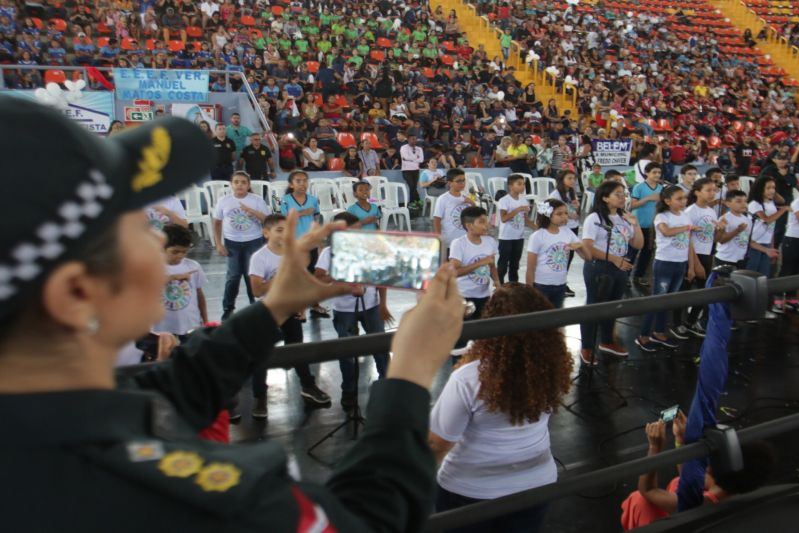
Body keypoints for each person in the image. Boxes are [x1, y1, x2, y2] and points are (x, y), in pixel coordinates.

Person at [0, 99, 467, 531]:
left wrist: (275, 305)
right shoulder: (207, 504)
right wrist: (409, 373)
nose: (160, 240)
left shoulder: (41, 420)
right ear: (77, 293)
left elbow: (168, 391)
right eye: (137, 222)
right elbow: (371, 522)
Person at [429, 284, 573, 533]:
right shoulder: (553, 367)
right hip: (536, 484)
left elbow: (437, 445)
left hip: (469, 491)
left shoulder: (469, 378)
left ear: (491, 322)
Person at [621, 413, 775, 530]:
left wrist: (655, 447)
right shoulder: (735, 488)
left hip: (694, 515)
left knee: (639, 500)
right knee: (677, 483)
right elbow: (689, 478)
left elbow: (647, 489)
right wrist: (680, 439)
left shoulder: (699, 504)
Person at [248, 214, 331, 418]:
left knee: (297, 351)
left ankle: (308, 386)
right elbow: (257, 291)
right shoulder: (259, 258)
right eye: (278, 230)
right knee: (262, 356)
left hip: (290, 311)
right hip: (267, 313)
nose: (284, 234)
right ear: (265, 233)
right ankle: (260, 396)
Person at [315, 212, 394, 410]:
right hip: (344, 310)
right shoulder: (328, 253)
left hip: (371, 306)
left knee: (381, 348)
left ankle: (388, 387)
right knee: (347, 353)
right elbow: (318, 279)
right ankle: (348, 392)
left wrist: (383, 305)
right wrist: (338, 275)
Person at [580, 181, 644, 364]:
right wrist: (614, 259)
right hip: (599, 267)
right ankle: (586, 346)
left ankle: (607, 341)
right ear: (605, 197)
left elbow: (638, 245)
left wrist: (636, 225)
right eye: (618, 194)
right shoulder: (595, 218)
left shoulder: (625, 218)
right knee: (593, 307)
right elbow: (588, 248)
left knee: (614, 305)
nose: (623, 197)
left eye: (624, 194)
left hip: (620, 268)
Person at [635, 186, 695, 353]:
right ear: (667, 201)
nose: (683, 201)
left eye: (684, 198)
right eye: (679, 198)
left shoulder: (685, 215)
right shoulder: (662, 216)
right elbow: (666, 232)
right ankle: (643, 335)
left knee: (668, 300)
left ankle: (659, 332)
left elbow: (689, 243)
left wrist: (691, 266)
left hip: (680, 263)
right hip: (665, 263)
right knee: (656, 300)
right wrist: (687, 228)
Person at [213, 171, 271, 321]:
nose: (240, 185)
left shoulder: (257, 200)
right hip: (232, 243)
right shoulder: (224, 201)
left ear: (248, 185)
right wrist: (218, 243)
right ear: (231, 184)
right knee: (233, 276)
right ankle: (228, 308)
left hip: (253, 241)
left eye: (243, 182)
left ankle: (256, 306)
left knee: (251, 275)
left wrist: (252, 211)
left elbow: (267, 220)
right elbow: (217, 222)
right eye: (236, 182)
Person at [673, 178, 723, 339]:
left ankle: (691, 321)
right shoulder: (690, 212)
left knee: (704, 292)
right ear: (697, 192)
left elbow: (712, 238)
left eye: (714, 190)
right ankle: (676, 323)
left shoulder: (711, 211)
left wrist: (720, 230)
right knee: (684, 292)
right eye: (708, 190)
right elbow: (687, 239)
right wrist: (694, 265)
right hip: (692, 256)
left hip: (707, 254)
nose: (712, 193)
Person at [280, 170, 328, 318]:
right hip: (294, 243)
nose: (302, 184)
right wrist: (302, 212)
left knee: (312, 273)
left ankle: (314, 303)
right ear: (291, 184)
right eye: (298, 181)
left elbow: (317, 218)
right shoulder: (285, 200)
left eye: (304, 181)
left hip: (310, 243)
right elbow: (283, 220)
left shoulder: (313, 199)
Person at [526, 199, 589, 309]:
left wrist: (581, 245)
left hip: (561, 285)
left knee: (557, 319)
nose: (564, 217)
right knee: (541, 319)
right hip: (541, 286)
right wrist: (530, 292)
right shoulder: (537, 236)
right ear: (548, 215)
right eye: (559, 214)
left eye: (565, 213)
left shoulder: (567, 232)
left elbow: (588, 257)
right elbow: (530, 268)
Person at [449, 206, 500, 336]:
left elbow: (492, 265)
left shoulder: (490, 242)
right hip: (463, 296)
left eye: (486, 221)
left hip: (484, 295)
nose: (486, 225)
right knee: (464, 334)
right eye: (481, 222)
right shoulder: (459, 244)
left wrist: (497, 282)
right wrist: (480, 263)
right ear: (470, 226)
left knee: (482, 334)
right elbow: (455, 272)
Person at [153, 224, 208, 340]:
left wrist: (205, 320)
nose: (180, 256)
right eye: (175, 252)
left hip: (190, 324)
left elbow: (199, 295)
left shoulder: (193, 266)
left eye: (184, 252)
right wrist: (174, 277)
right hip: (161, 328)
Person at [630, 162, 664, 287]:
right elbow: (632, 205)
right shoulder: (639, 187)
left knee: (647, 252)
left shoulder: (661, 188)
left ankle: (639, 276)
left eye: (659, 172)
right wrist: (648, 198)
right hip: (638, 224)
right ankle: (627, 275)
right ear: (646, 173)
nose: (657, 175)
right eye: (654, 172)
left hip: (652, 226)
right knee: (632, 251)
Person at [746, 176, 788, 276]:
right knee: (751, 272)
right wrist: (783, 210)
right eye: (768, 188)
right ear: (760, 189)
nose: (772, 191)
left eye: (773, 188)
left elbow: (771, 227)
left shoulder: (770, 203)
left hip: (766, 242)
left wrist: (772, 245)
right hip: (754, 243)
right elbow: (767, 220)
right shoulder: (754, 204)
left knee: (764, 274)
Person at [496, 173, 533, 283]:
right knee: (503, 263)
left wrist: (539, 228)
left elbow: (525, 220)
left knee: (515, 264)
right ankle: (499, 284)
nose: (523, 186)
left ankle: (514, 284)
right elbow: (503, 218)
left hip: (519, 237)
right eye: (519, 184)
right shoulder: (504, 200)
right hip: (506, 237)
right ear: (511, 186)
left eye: (523, 184)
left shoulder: (523, 200)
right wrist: (518, 209)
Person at [550, 170, 581, 296]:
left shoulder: (572, 192)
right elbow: (550, 213)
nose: (572, 181)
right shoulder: (555, 194)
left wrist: (577, 206)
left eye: (574, 178)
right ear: (562, 179)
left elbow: (574, 209)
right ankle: (555, 283)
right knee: (560, 257)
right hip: (562, 228)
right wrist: (567, 215)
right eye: (569, 178)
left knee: (569, 256)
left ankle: (562, 283)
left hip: (573, 227)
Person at [433, 168, 475, 255]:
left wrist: (472, 203)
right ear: (449, 183)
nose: (462, 183)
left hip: (465, 240)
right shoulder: (443, 199)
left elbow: (473, 216)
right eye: (458, 181)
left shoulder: (465, 197)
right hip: (449, 242)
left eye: (463, 180)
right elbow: (437, 219)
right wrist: (439, 238)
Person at [714, 190, 754, 270]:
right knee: (726, 282)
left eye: (745, 201)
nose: (743, 204)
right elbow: (721, 240)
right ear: (728, 204)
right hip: (726, 258)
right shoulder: (724, 218)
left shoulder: (748, 220)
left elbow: (748, 240)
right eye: (738, 201)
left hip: (741, 259)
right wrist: (737, 231)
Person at [774, 193, 799, 311]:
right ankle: (778, 299)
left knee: (797, 270)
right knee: (787, 269)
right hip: (792, 239)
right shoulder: (797, 202)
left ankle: (791, 298)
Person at [400, 133, 425, 203]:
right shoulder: (404, 147)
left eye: (415, 139)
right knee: (411, 186)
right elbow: (405, 157)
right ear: (408, 139)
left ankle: (416, 201)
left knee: (414, 187)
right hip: (406, 170)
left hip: (416, 170)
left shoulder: (419, 149)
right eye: (412, 139)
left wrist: (411, 159)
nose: (414, 141)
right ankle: (412, 202)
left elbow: (421, 160)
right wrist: (416, 158)